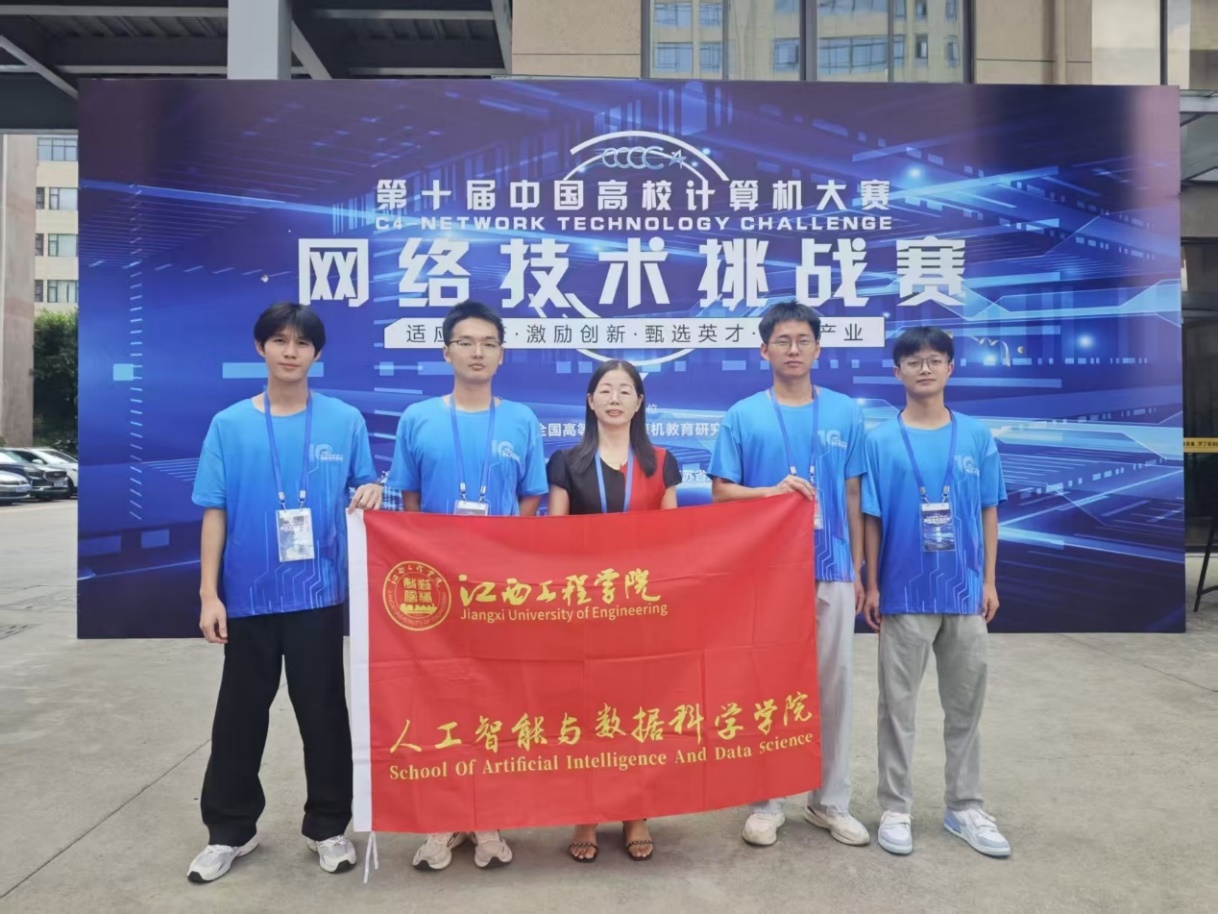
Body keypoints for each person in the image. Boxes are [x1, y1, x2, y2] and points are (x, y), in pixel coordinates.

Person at [188, 302, 384, 884]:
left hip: (318, 596)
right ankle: (230, 831)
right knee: (239, 716)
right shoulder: (229, 424)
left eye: (302, 342)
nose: (290, 351)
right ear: (261, 348)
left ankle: (328, 827)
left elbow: (366, 483)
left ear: (317, 353)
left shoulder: (344, 421)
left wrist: (373, 488)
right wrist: (209, 594)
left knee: (323, 715)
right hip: (248, 597)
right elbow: (214, 512)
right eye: (279, 340)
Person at [386, 299, 547, 871]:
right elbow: (406, 500)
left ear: (502, 354)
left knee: (494, 699)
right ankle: (443, 817)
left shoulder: (521, 420)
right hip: (435, 590)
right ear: (446, 351)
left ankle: (487, 817)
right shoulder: (418, 418)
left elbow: (531, 498)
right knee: (437, 699)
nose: (478, 352)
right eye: (466, 342)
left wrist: (503, 555)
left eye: (489, 343)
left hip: (498, 589)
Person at [708, 300, 870, 850]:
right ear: (764, 350)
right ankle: (766, 801)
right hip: (767, 574)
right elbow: (721, 492)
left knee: (833, 685)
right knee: (768, 684)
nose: (793, 349)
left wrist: (857, 569)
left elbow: (853, 494)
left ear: (818, 348)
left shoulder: (845, 412)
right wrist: (769, 493)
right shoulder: (743, 415)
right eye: (782, 340)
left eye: (803, 340)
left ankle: (830, 801)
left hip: (832, 567)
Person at [861, 326, 1010, 858]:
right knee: (897, 709)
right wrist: (872, 584)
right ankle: (895, 807)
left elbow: (989, 509)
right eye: (913, 361)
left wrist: (988, 580)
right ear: (896, 371)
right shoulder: (879, 441)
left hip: (965, 594)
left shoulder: (976, 436)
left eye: (934, 360)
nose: (924, 369)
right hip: (903, 594)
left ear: (950, 367)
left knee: (965, 708)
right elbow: (872, 517)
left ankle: (964, 807)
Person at [547, 359, 681, 863]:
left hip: (642, 609)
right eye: (605, 389)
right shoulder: (566, 462)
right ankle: (586, 812)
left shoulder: (662, 462)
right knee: (586, 710)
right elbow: (554, 538)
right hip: (585, 608)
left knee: (639, 710)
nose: (615, 398)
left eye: (626, 390)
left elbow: (674, 541)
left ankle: (635, 812)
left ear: (640, 403)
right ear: (590, 401)